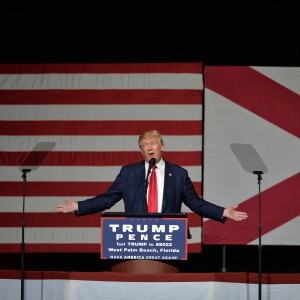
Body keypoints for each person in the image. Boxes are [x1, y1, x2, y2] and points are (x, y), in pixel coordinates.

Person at [55, 129, 248, 223]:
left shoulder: (179, 174)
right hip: (135, 238)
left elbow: (195, 202)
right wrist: (78, 206)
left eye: (153, 143)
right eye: (144, 145)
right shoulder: (128, 173)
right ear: (141, 151)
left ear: (162, 146)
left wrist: (223, 212)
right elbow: (108, 199)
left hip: (169, 238)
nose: (149, 148)